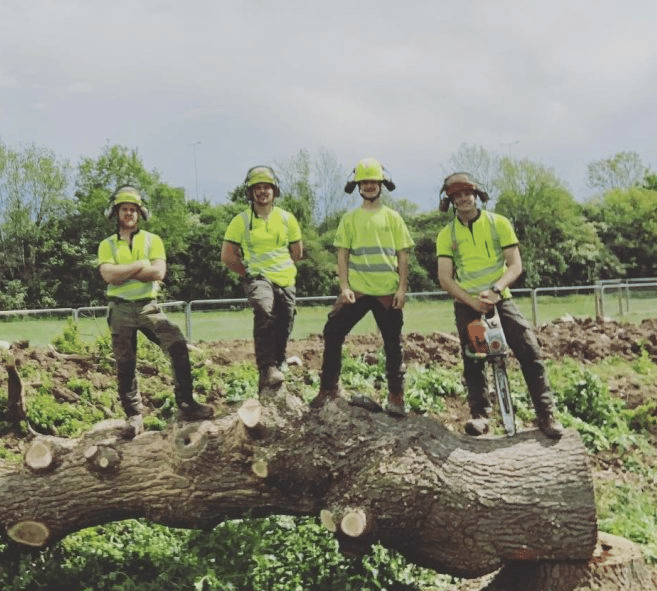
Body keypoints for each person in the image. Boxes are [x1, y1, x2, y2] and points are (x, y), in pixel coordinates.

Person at [435, 171, 563, 439]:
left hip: (499, 299)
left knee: (528, 348)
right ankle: (480, 415)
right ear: (450, 202)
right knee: (476, 356)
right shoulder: (447, 235)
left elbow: (515, 265)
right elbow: (445, 277)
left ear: (476, 194)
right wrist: (471, 301)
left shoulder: (498, 223)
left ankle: (546, 412)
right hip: (468, 304)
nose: (463, 200)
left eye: (466, 193)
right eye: (456, 196)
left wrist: (495, 290)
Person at [97, 185, 214, 433]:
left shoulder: (153, 240)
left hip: (148, 307)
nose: (128, 214)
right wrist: (140, 265)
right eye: (124, 209)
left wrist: (126, 272)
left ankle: (186, 403)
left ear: (140, 213)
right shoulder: (106, 244)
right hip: (120, 310)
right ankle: (134, 416)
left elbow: (158, 272)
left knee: (178, 346)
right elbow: (108, 275)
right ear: (116, 213)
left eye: (133, 210)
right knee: (125, 364)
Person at [311, 158, 413, 417]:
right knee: (333, 331)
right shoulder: (349, 219)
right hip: (356, 291)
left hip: (387, 291)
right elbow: (342, 255)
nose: (369, 186)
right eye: (364, 182)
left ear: (382, 184)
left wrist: (401, 289)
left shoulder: (393, 218)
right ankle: (329, 389)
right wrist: (344, 286)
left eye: (373, 182)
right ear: (357, 186)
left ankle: (396, 396)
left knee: (393, 344)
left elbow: (402, 255)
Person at [221, 165, 304, 391]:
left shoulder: (287, 219)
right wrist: (248, 273)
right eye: (257, 187)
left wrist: (282, 269)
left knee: (285, 320)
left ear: (274, 190)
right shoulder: (240, 221)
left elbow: (297, 252)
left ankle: (279, 361)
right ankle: (266, 367)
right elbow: (227, 256)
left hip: (285, 279)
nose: (262, 191)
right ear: (250, 192)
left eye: (266, 187)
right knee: (264, 310)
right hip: (258, 277)